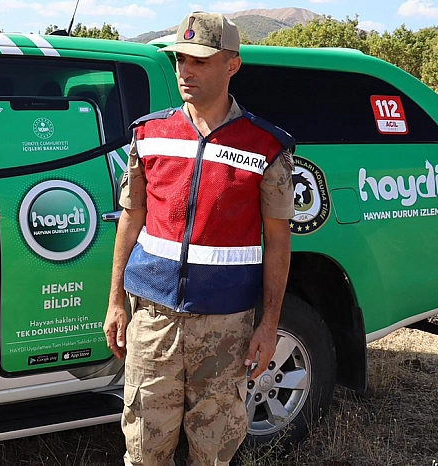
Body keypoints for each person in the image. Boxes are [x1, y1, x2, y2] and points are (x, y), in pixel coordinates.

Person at [103, 12, 295, 466]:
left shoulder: (266, 147)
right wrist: (114, 301)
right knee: (145, 450)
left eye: (199, 61)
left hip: (226, 326)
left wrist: (269, 326)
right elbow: (129, 221)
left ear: (232, 65)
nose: (185, 71)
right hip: (153, 322)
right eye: (180, 60)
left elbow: (278, 242)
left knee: (212, 453)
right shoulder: (149, 135)